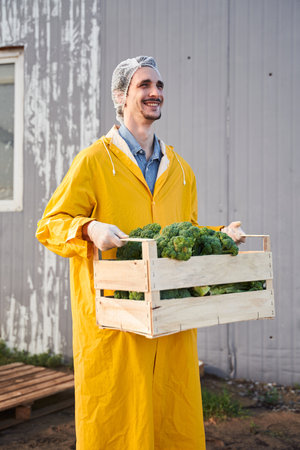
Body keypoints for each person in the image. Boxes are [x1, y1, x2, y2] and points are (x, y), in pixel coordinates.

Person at [36, 56, 245, 450]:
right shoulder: (95, 161)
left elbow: (184, 234)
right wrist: (88, 227)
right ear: (122, 96)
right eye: (145, 85)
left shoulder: (180, 170)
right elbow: (50, 223)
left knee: (171, 422)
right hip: (116, 324)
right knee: (116, 425)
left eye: (160, 85)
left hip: (171, 321)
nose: (155, 92)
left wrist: (220, 234)